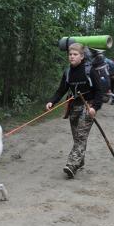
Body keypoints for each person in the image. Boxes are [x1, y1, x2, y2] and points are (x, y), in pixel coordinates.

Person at [45, 43, 103, 179]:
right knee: (77, 137)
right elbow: (61, 90)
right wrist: (51, 101)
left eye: (75, 54)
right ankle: (80, 160)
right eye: (70, 54)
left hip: (87, 107)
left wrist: (95, 107)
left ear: (82, 56)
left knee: (81, 137)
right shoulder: (68, 72)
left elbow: (100, 91)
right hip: (73, 107)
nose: (72, 57)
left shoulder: (90, 70)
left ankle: (71, 164)